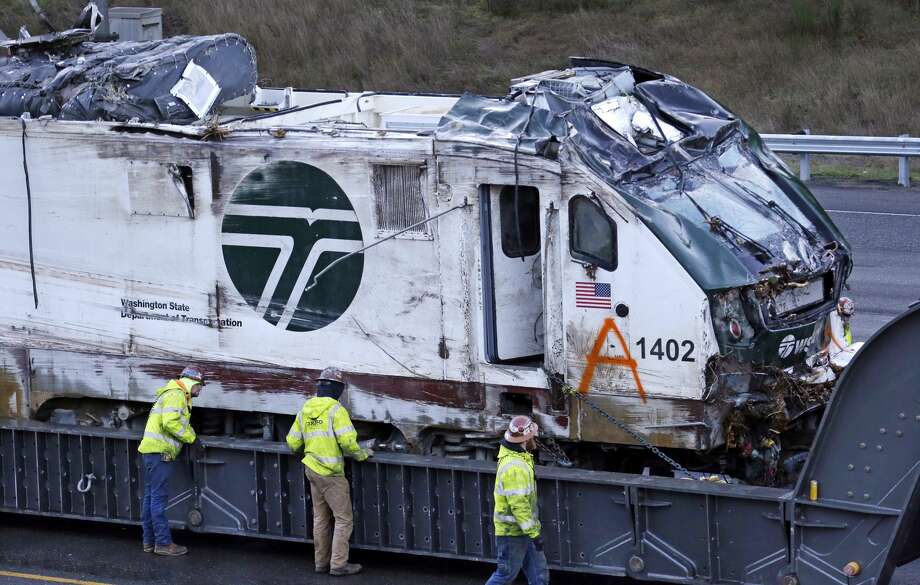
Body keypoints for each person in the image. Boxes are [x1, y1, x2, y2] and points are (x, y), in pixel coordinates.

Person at [287, 367, 372, 577]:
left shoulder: (305, 409)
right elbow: (347, 442)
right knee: (343, 519)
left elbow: (292, 442)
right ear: (337, 389)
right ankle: (339, 564)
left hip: (312, 470)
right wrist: (362, 454)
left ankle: (321, 563)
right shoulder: (336, 410)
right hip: (331, 474)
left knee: (320, 519)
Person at [137, 366, 205, 556]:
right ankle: (163, 544)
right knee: (157, 499)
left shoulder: (170, 392)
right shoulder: (177, 394)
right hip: (161, 453)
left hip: (151, 453)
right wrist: (192, 439)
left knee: (150, 499)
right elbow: (171, 422)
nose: (201, 389)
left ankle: (149, 542)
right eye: (200, 385)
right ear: (191, 382)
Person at [486, 416, 549, 585]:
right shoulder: (515, 467)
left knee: (540, 576)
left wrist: (532, 532)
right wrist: (534, 533)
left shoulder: (520, 458)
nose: (536, 437)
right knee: (505, 576)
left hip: (524, 531)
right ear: (526, 439)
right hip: (512, 533)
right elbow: (518, 505)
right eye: (533, 434)